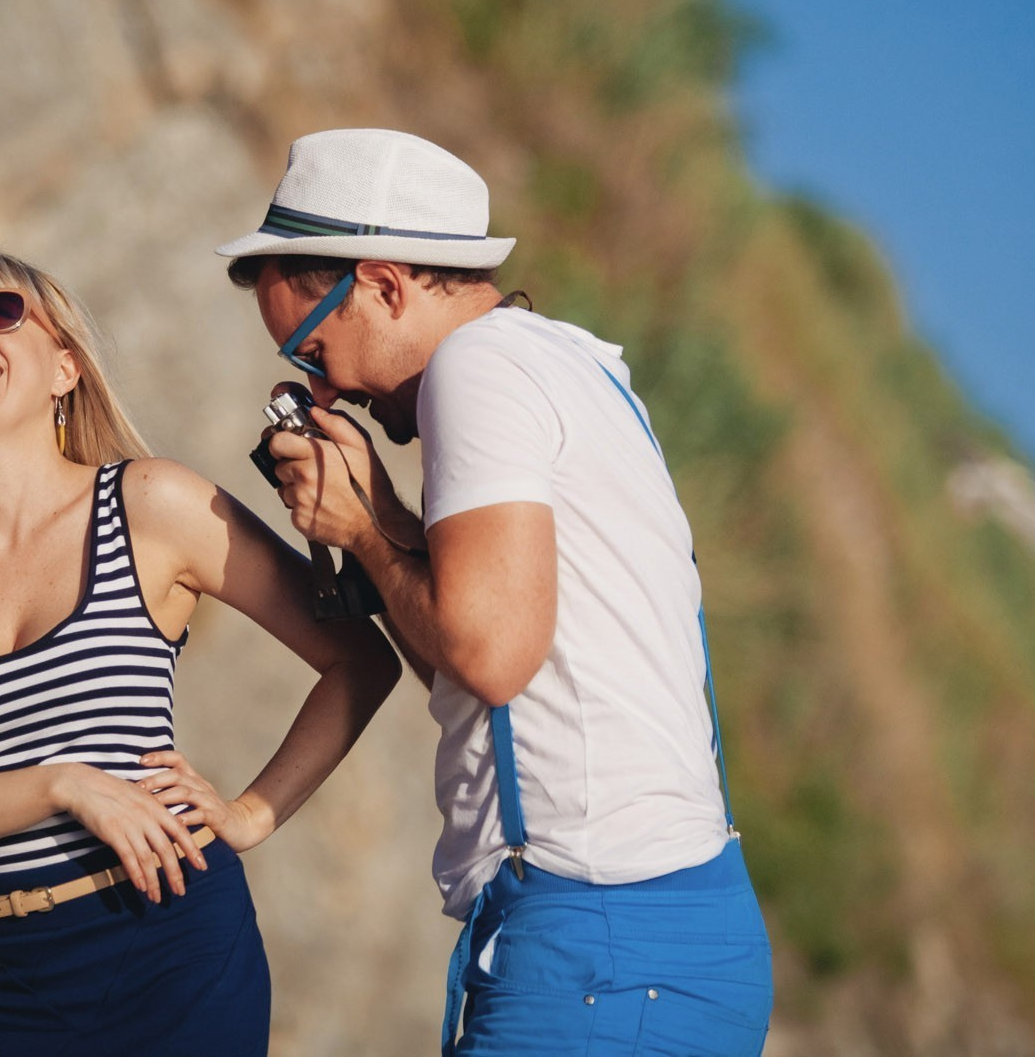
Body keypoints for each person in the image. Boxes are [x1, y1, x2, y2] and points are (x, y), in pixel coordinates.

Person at [218, 129, 774, 1055]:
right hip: (669, 930)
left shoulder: (476, 369)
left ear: (387, 285)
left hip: (598, 939)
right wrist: (382, 515)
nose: (327, 389)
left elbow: (489, 651)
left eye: (313, 352)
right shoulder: (574, 365)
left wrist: (359, 528)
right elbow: (478, 643)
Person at [0, 246, 399, 1054]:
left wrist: (249, 814)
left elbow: (362, 661)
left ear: (65, 367)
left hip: (173, 942)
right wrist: (62, 785)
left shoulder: (154, 503)